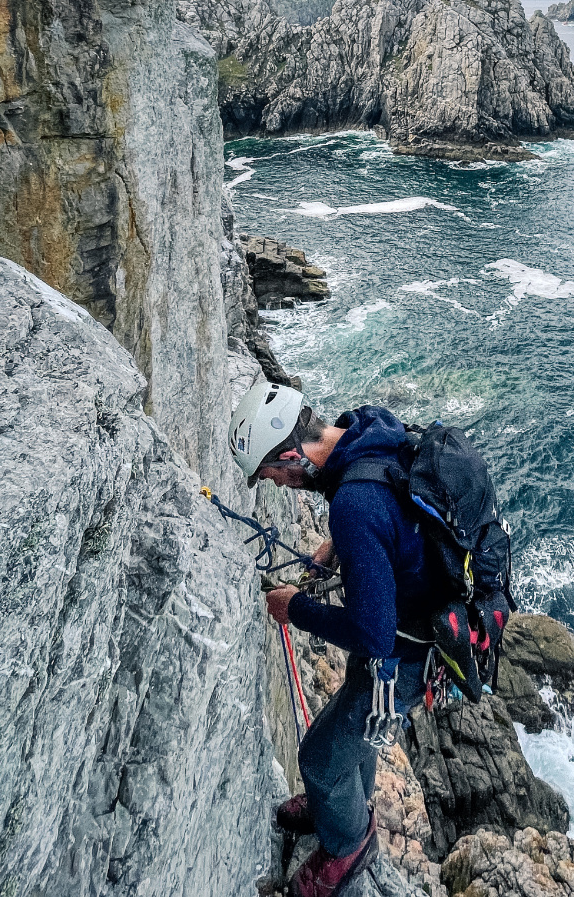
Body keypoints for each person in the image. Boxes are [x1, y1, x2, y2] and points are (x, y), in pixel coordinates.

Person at [228, 378, 446, 897]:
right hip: (413, 610)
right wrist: (340, 548)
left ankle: (347, 844)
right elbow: (388, 507)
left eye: (274, 473)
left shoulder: (352, 506)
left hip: (405, 651)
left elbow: (371, 636)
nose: (279, 485)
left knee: (319, 759)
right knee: (357, 726)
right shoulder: (364, 425)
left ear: (290, 454)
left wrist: (295, 608)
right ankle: (345, 801)